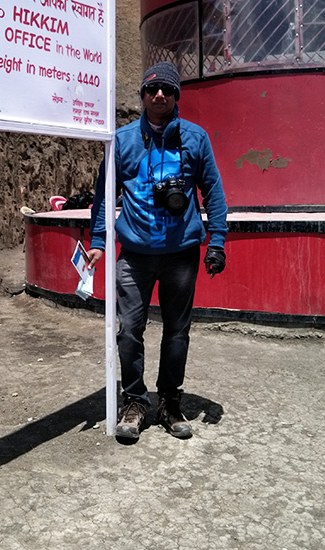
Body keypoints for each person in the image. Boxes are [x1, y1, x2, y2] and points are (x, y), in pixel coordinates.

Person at [88, 62, 228, 440]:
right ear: (143, 97)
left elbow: (212, 190)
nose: (159, 95)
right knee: (129, 330)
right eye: (152, 90)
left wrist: (217, 241)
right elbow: (104, 194)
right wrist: (99, 242)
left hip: (181, 254)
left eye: (167, 89)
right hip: (133, 255)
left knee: (177, 332)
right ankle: (135, 401)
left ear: (177, 95)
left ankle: (169, 402)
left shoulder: (195, 139)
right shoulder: (122, 140)